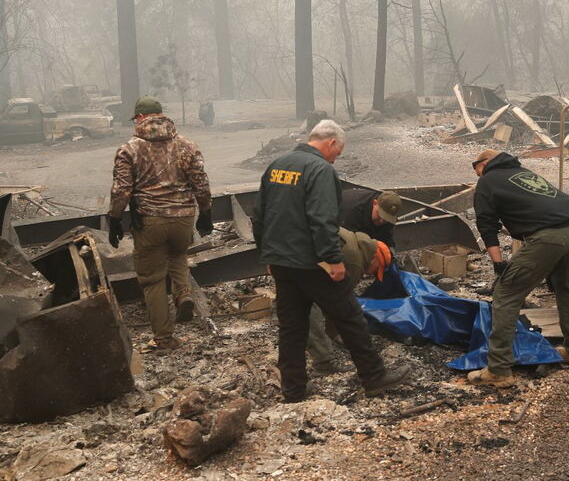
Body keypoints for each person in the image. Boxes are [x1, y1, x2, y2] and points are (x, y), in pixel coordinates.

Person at [251, 119, 410, 402]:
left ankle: (293, 388)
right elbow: (323, 219)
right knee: (350, 317)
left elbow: (260, 214)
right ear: (331, 142)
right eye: (339, 150)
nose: (337, 156)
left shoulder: (277, 165)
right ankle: (374, 377)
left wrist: (267, 253)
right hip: (312, 261)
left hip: (282, 262)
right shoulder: (320, 170)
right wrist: (333, 259)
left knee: (291, 327)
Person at [466, 149, 569, 387]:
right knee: (565, 286)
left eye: (477, 168)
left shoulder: (488, 181)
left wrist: (498, 264)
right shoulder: (522, 173)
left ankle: (499, 369)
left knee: (506, 293)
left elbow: (486, 224)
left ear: (485, 164)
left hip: (550, 236)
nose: (477, 174)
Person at [108, 96, 213, 352]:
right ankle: (183, 294)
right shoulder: (187, 145)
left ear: (141, 118)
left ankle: (165, 339)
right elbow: (201, 182)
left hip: (151, 221)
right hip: (183, 218)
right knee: (177, 255)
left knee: (152, 280)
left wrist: (114, 219)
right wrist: (206, 213)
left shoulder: (129, 149)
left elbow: (122, 190)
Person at [307, 187, 402, 373]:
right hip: (311, 250)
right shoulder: (350, 212)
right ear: (375, 203)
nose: (382, 221)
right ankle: (324, 361)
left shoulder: (385, 221)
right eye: (379, 216)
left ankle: (324, 339)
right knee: (312, 304)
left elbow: (386, 243)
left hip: (304, 251)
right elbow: (341, 301)